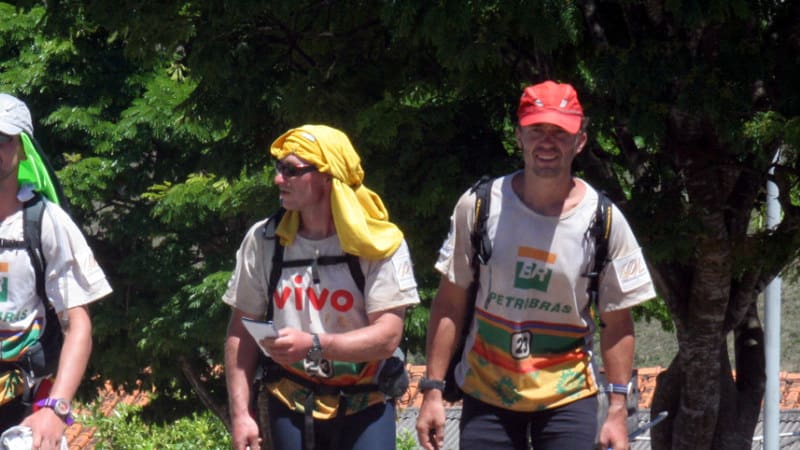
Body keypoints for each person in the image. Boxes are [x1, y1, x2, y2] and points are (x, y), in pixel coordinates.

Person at [415, 81, 656, 450]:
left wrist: (617, 411)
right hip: (487, 391)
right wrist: (432, 390)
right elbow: (449, 302)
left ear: (580, 141)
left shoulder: (603, 220)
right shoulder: (479, 206)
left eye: (560, 132)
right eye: (536, 130)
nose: (547, 142)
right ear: (519, 136)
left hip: (568, 395)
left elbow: (618, 322)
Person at [223, 125, 420, 450]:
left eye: (291, 170)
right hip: (290, 399)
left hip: (366, 401)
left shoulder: (379, 243)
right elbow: (241, 330)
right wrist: (241, 415)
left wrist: (314, 344)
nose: (278, 179)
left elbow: (387, 336)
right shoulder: (264, 240)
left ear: (328, 177)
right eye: (278, 168)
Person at [0, 93, 112, 448]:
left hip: (20, 406)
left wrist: (56, 408)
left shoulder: (45, 222)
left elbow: (77, 323)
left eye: (2, 139)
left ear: (23, 149)